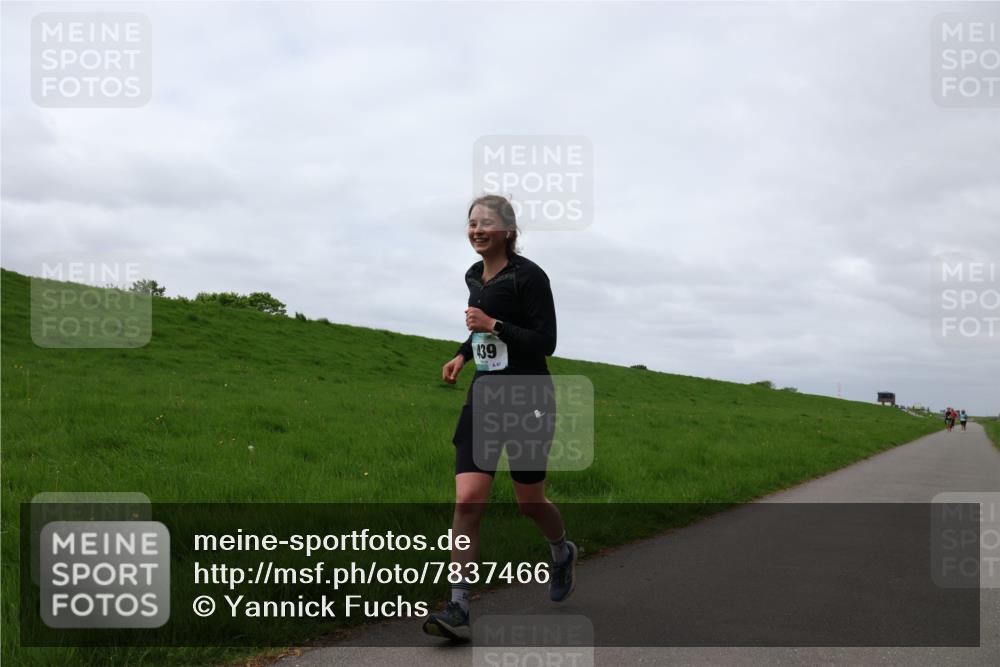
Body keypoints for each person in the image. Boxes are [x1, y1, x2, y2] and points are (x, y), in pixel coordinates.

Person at [422, 195, 577, 641]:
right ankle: (458, 606)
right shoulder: (474, 276)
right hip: (485, 397)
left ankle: (561, 551)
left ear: (508, 229)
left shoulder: (529, 276)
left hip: (528, 397)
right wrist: (460, 355)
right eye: (471, 223)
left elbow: (544, 341)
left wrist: (492, 325)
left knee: (530, 502)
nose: (476, 230)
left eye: (486, 223)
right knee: (469, 499)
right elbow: (480, 329)